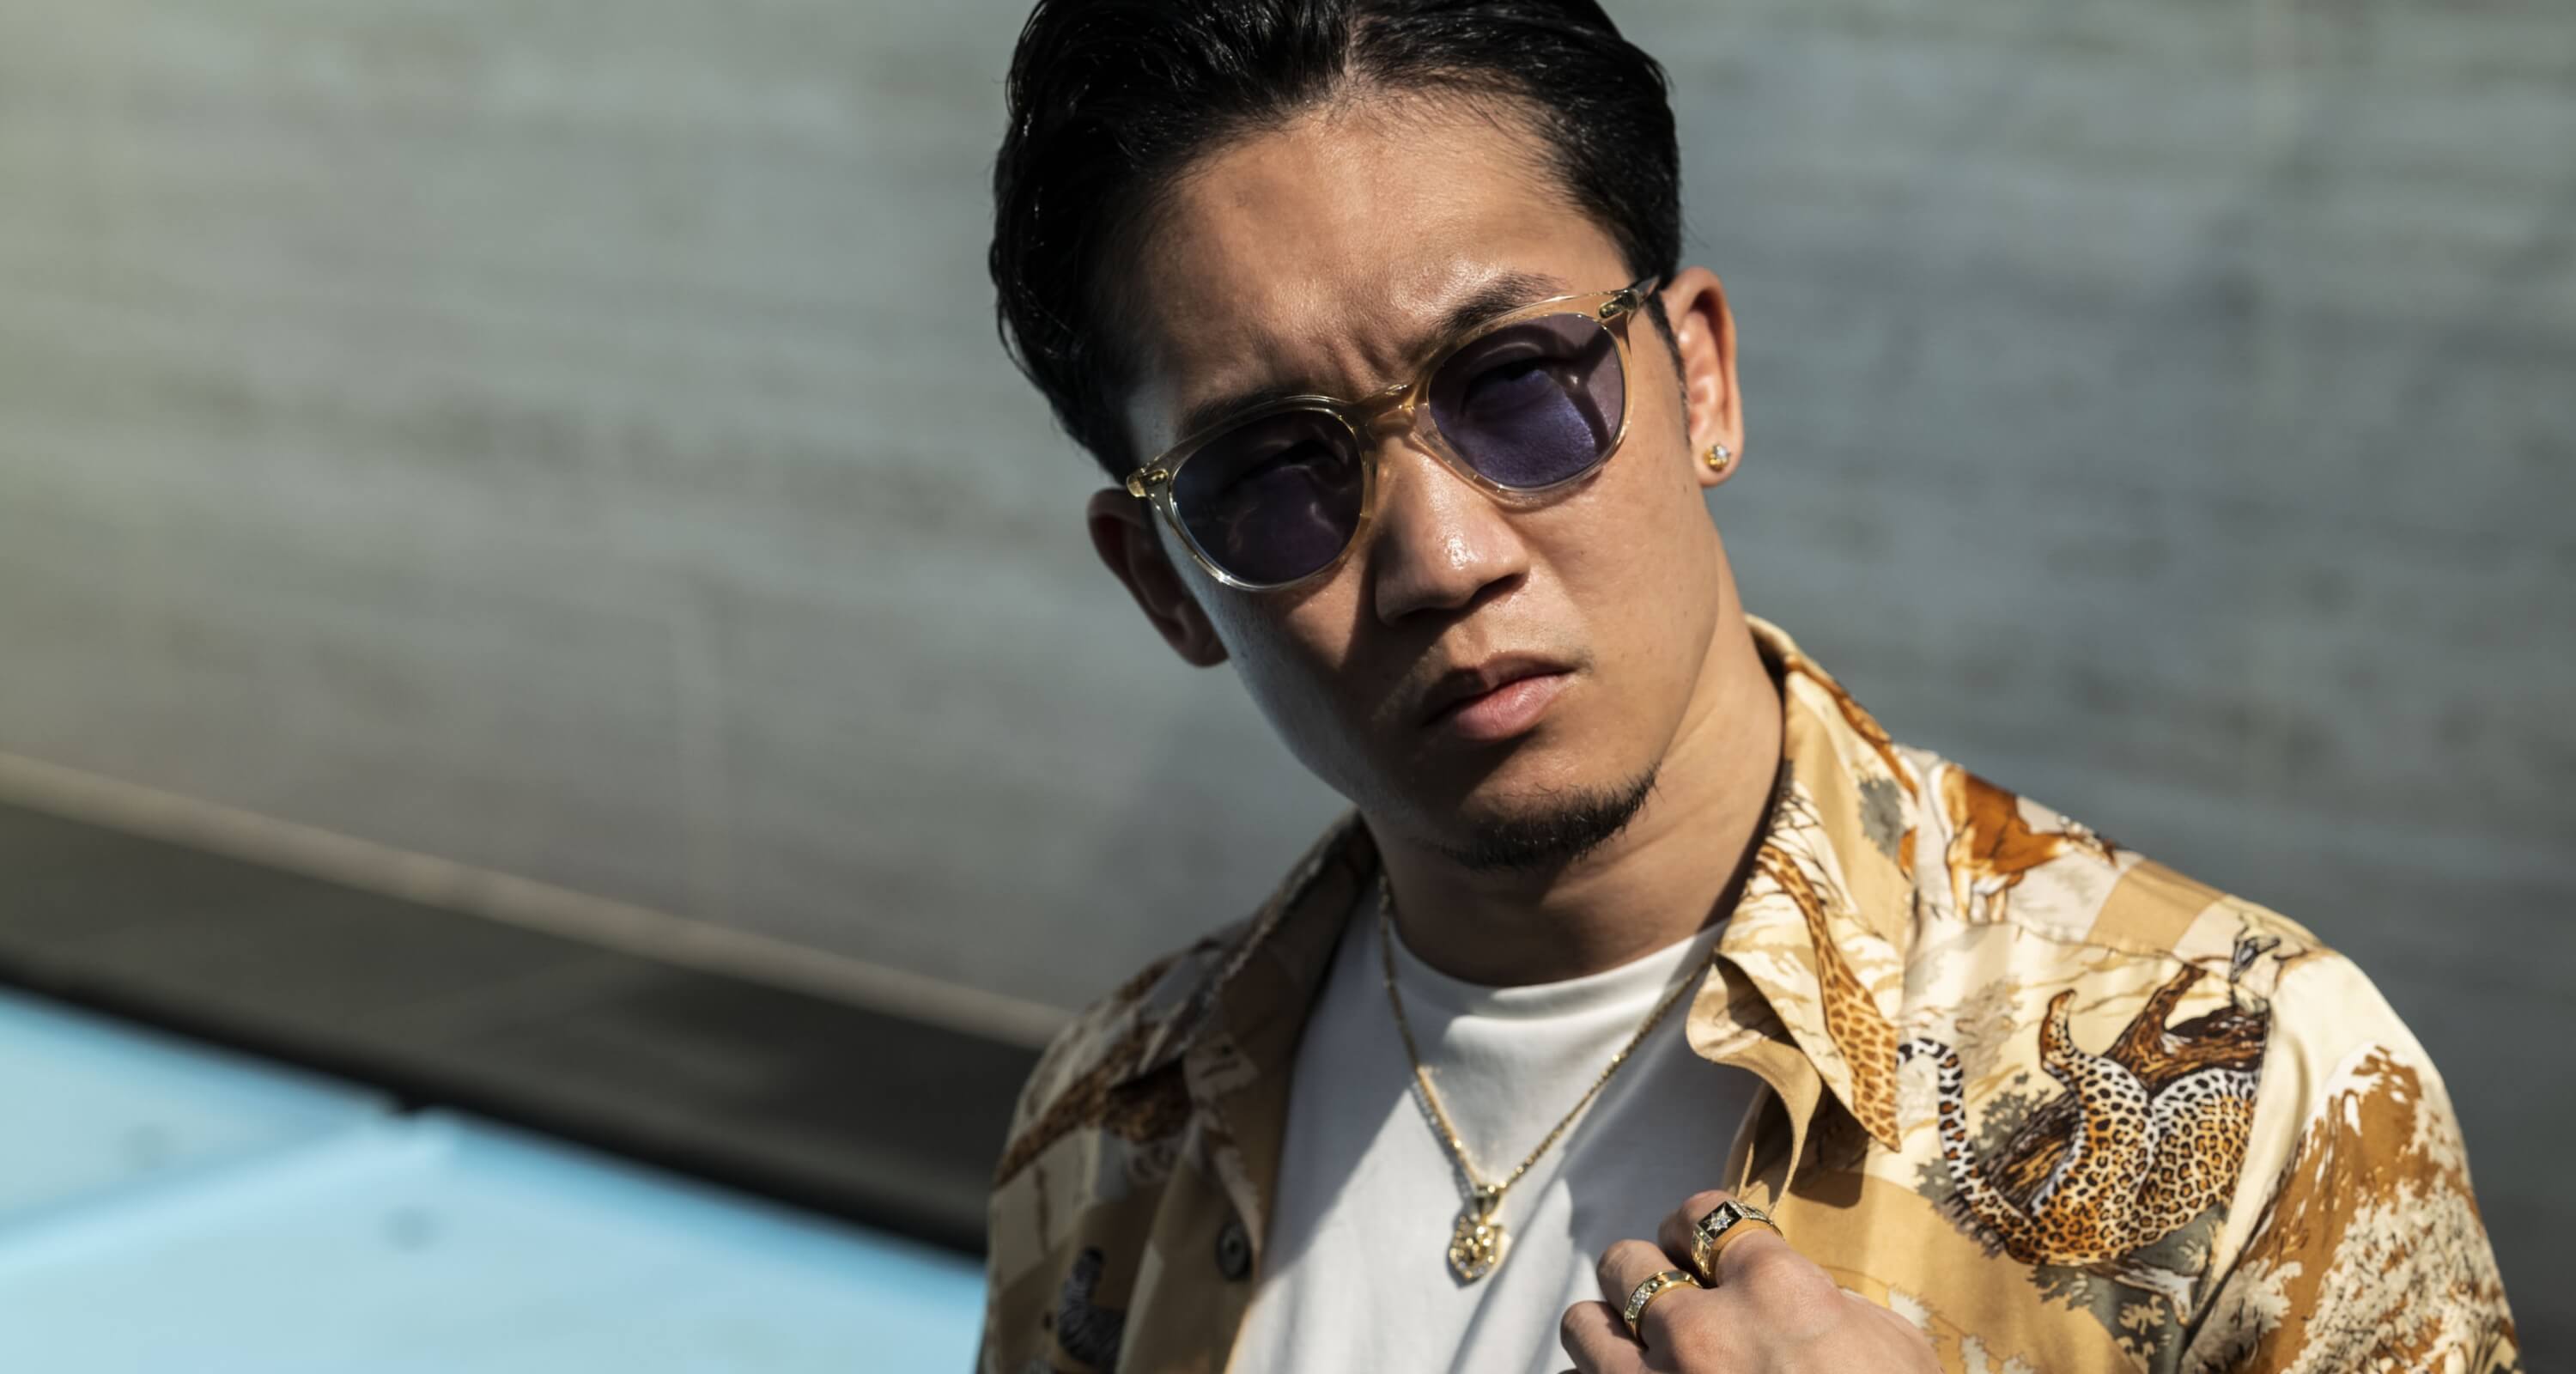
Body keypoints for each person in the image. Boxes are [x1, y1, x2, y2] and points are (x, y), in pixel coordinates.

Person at [975, 2, 2524, 1371]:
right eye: (1272, 474)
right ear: (1164, 581)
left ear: (1699, 376)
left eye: (1514, 383)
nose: (1443, 556)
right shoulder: (1112, 1122)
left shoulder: (2251, 1077)